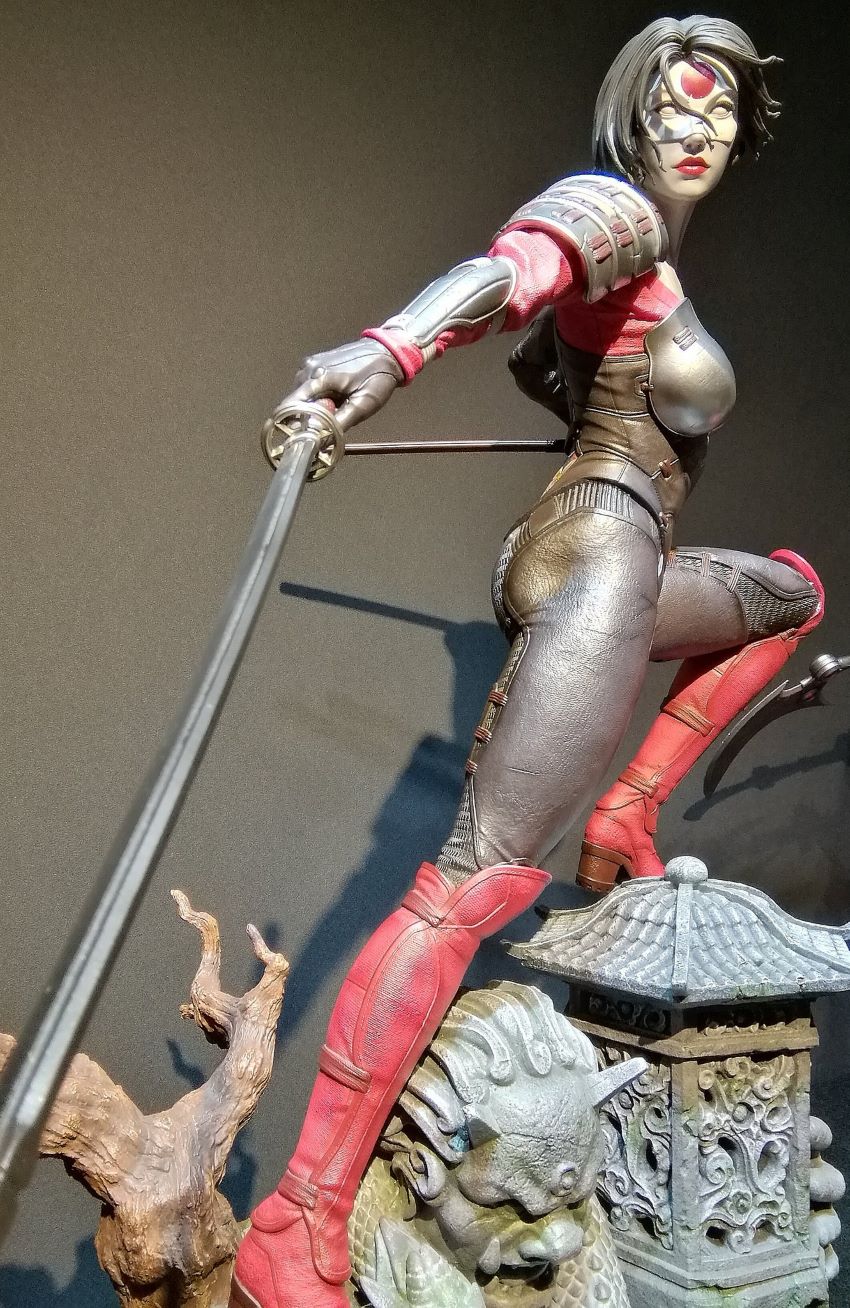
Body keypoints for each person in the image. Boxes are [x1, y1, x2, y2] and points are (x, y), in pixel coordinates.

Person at [230, 16, 823, 1308]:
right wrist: (383, 355)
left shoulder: (652, 261)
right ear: (631, 110)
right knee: (474, 886)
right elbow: (519, 265)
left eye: (721, 110)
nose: (698, 128)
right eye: (675, 103)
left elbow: (544, 347)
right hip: (593, 547)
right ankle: (297, 1219)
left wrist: (586, 397)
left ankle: (623, 812)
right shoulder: (617, 212)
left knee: (786, 595)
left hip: (628, 551)